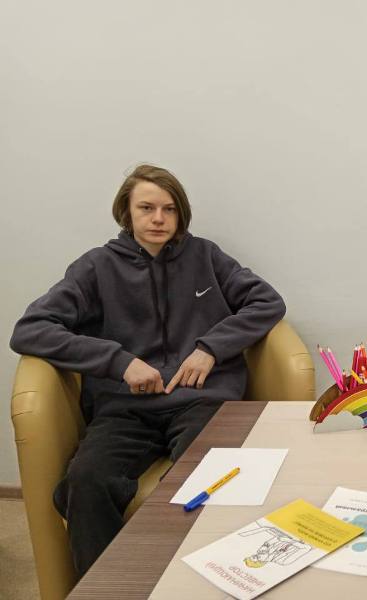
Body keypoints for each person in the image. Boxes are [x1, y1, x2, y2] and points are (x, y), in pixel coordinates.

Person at [10, 164, 286, 577]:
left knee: (211, 476)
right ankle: (107, 587)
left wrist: (210, 348)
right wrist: (119, 362)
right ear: (127, 212)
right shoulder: (96, 267)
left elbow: (267, 302)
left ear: (180, 214)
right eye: (147, 208)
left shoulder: (206, 256)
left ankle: (189, 583)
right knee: (86, 482)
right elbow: (31, 329)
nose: (159, 219)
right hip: (125, 410)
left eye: (169, 209)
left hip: (201, 402)